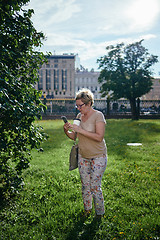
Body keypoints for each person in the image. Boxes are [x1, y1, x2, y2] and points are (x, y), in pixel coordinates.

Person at [63, 88, 107, 218]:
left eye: (80, 105)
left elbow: (99, 137)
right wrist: (66, 130)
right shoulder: (78, 117)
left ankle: (99, 213)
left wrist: (79, 130)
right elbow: (74, 137)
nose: (78, 108)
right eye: (76, 106)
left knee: (94, 186)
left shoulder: (98, 116)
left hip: (98, 156)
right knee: (85, 185)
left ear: (88, 103)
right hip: (83, 156)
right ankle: (87, 210)